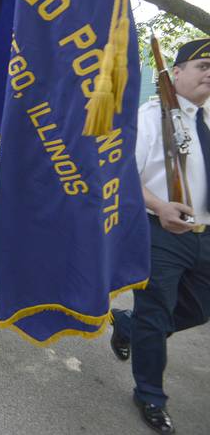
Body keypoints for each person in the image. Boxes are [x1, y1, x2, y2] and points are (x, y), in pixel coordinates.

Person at [108, 38, 210, 434]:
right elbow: (123, 176)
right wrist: (160, 206)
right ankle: (150, 394)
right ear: (176, 72)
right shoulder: (150, 119)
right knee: (156, 310)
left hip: (204, 233)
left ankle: (129, 327)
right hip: (161, 230)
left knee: (199, 309)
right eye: (201, 65)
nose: (209, 73)